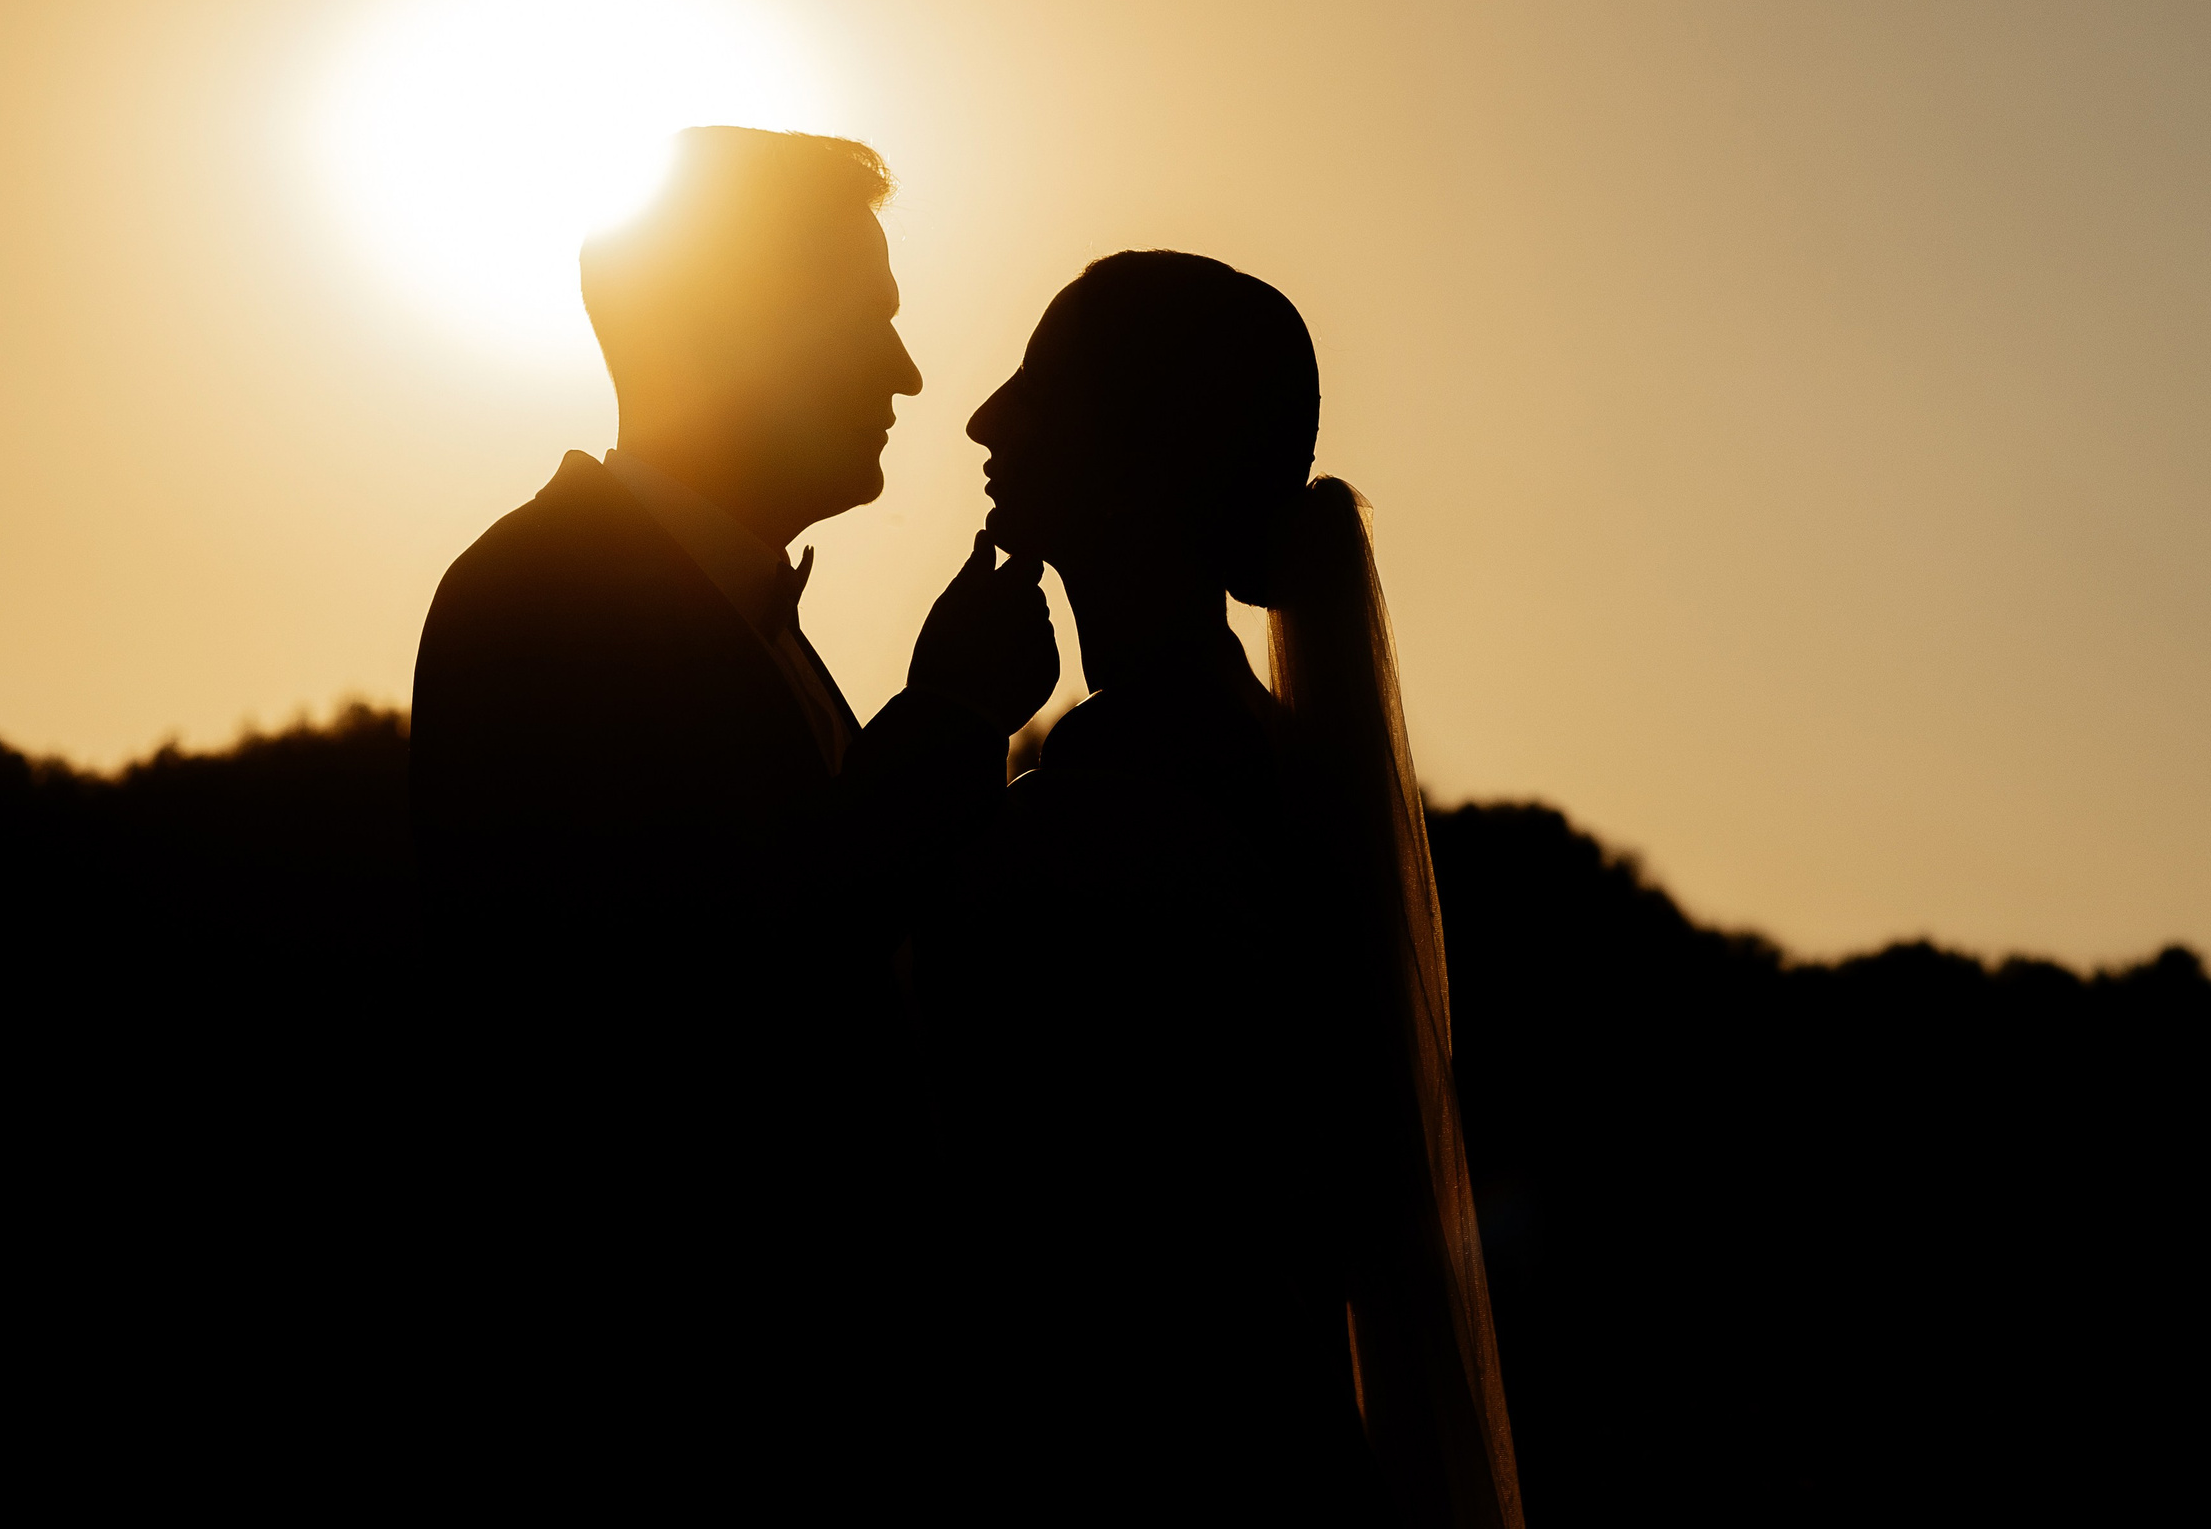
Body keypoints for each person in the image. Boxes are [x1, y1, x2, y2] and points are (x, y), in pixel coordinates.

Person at [404, 128, 1058, 1508]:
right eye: (871, 320)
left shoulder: (751, 630)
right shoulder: (541, 598)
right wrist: (945, 727)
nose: (908, 373)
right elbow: (694, 1004)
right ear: (744, 330)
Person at [911, 252, 1526, 1527]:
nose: (981, 420)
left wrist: (941, 733)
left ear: (1131, 453)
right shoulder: (1241, 768)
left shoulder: (1118, 817)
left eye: (1036, 390)